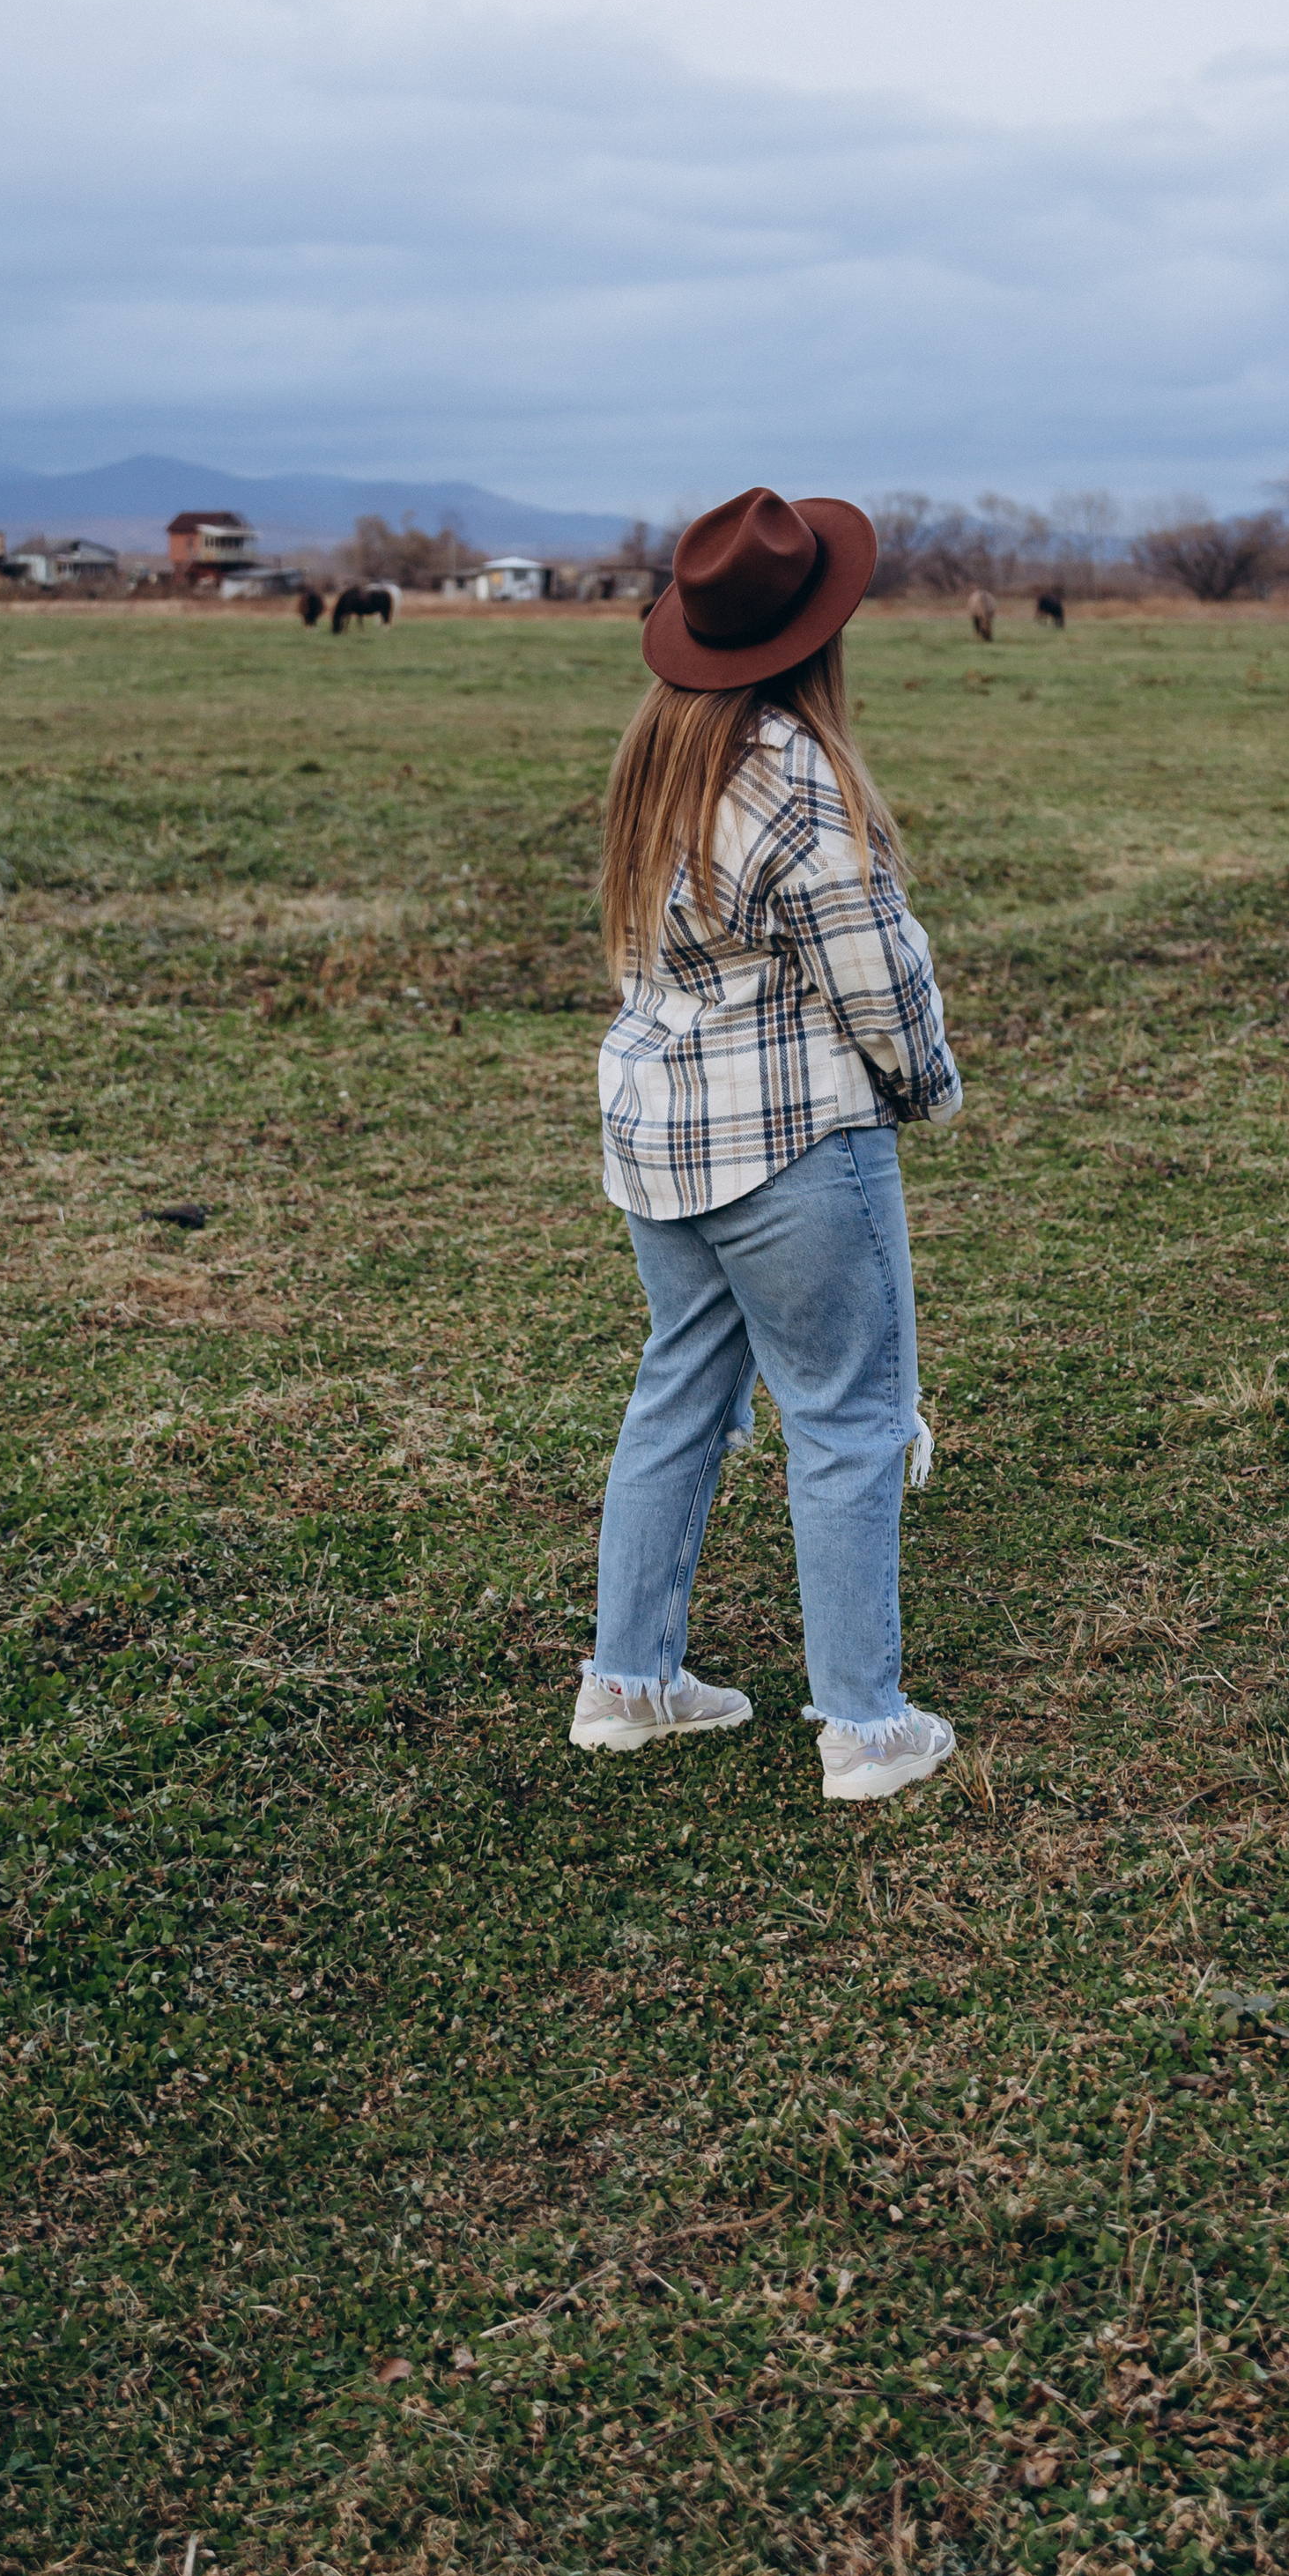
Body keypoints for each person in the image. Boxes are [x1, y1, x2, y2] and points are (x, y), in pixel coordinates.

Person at [571, 485, 963, 1802]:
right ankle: (863, 1723)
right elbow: (879, 982)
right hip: (795, 1144)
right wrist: (929, 1090)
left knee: (681, 1389)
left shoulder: (655, 756)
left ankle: (629, 1682)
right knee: (848, 1417)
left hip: (660, 1144)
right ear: (816, 634)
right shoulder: (798, 774)